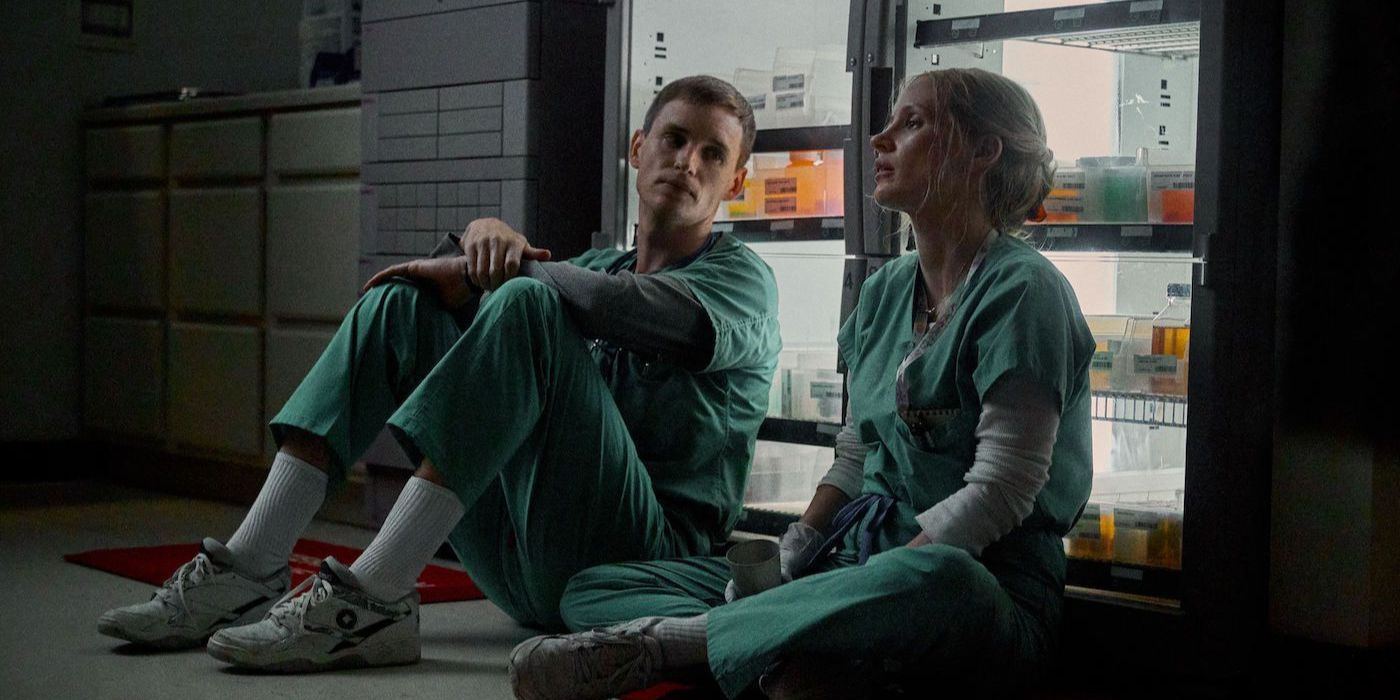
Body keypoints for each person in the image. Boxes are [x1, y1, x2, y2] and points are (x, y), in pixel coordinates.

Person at [96, 74, 782, 673]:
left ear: (736, 180)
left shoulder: (743, 280)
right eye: (674, 140)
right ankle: (249, 565)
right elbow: (467, 307)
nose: (687, 162)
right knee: (402, 304)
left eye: (712, 153)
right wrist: (473, 248)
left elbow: (609, 306)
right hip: (524, 562)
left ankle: (374, 599)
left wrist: (494, 261)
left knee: (523, 298)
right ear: (638, 149)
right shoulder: (594, 265)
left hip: (639, 563)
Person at [508, 67, 1095, 700]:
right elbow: (856, 456)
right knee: (592, 589)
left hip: (973, 588)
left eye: (913, 123)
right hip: (849, 563)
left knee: (939, 578)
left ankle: (664, 646)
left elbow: (1003, 491)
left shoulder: (1026, 290)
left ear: (983, 152)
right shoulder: (885, 291)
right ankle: (798, 658)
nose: (880, 137)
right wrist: (796, 553)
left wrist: (851, 584)